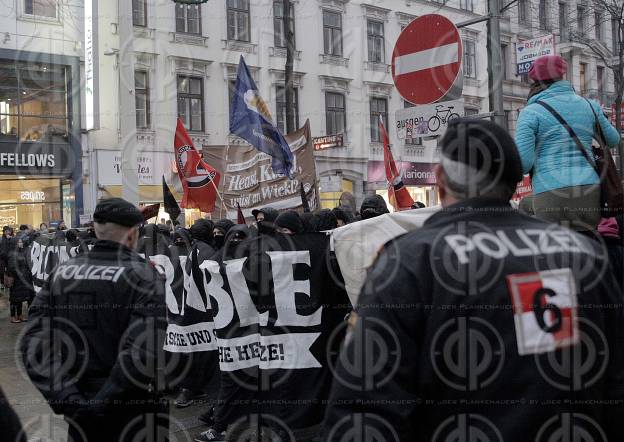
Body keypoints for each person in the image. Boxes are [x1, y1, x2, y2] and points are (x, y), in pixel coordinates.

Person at [323, 119, 624, 440]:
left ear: (440, 180)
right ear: (515, 180)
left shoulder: (408, 262)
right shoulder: (582, 254)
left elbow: (363, 409)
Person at [20, 198, 169, 442]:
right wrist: (101, 402)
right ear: (132, 235)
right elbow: (143, 350)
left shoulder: (62, 272)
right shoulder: (143, 275)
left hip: (80, 410)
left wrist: (69, 399)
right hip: (133, 412)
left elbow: (34, 344)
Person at [515, 54, 621, 232]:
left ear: (534, 81)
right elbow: (613, 140)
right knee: (587, 247)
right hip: (588, 190)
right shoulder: (590, 106)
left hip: (550, 192)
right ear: (563, 76)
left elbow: (524, 164)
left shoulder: (530, 113)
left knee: (555, 250)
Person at [7, 235, 35, 323]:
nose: (21, 243)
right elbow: (12, 268)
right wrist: (21, 275)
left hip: (21, 280)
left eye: (21, 241)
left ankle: (19, 315)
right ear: (15, 243)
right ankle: (12, 316)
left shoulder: (20, 251)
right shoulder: (12, 253)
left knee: (19, 299)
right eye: (19, 242)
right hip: (16, 280)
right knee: (14, 300)